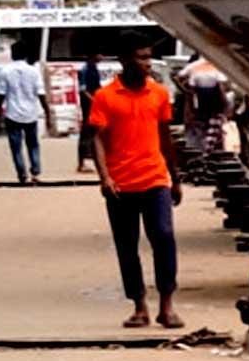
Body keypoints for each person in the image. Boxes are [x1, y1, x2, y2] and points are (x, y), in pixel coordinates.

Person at [88, 43, 183, 329]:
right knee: (127, 246)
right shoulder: (105, 97)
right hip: (120, 184)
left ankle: (166, 305)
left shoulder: (159, 94)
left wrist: (175, 178)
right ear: (125, 59)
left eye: (148, 57)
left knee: (164, 237)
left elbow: (165, 137)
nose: (148, 63)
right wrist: (104, 177)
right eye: (141, 57)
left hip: (155, 179)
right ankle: (139, 305)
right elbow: (96, 139)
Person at [0, 60, 45, 185]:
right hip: (30, 114)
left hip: (12, 114)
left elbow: (0, 94)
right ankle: (35, 171)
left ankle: (22, 174)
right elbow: (41, 93)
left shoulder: (5, 71)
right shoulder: (33, 71)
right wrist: (47, 111)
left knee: (16, 148)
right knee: (33, 145)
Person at [72, 53, 109, 175]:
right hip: (88, 106)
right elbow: (83, 90)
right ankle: (81, 163)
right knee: (86, 133)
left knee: (96, 133)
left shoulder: (94, 69)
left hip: (95, 105)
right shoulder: (85, 70)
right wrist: (94, 100)